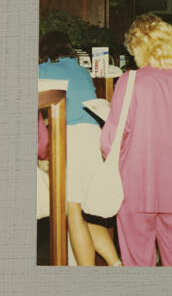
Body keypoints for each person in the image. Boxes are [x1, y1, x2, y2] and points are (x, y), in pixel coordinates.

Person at [101, 14, 172, 266]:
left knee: (138, 262)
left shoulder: (129, 83)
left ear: (138, 48)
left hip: (134, 189)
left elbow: (109, 143)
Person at [39, 31, 121, 266]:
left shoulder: (43, 70)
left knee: (72, 211)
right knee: (82, 210)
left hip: (71, 140)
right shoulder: (81, 71)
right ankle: (116, 264)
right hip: (93, 138)